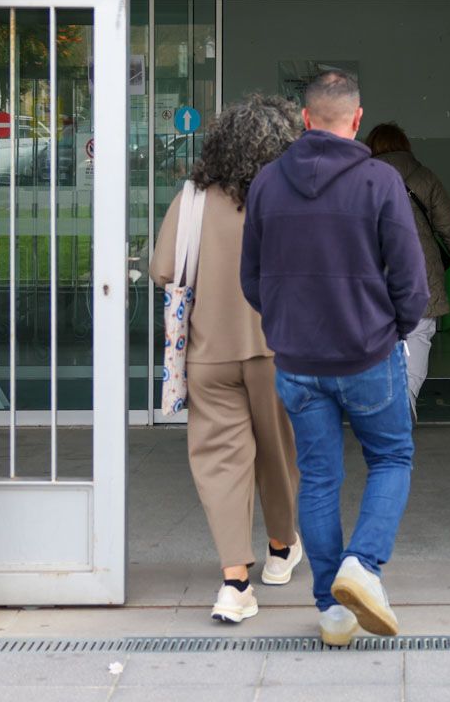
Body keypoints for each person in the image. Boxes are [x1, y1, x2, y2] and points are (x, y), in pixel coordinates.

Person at [240, 69, 428, 645]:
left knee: (318, 478)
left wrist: (284, 325)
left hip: (296, 359)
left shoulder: (268, 183)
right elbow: (412, 279)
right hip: (367, 352)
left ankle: (332, 611)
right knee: (392, 458)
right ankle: (362, 566)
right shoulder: (379, 179)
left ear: (304, 119)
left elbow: (252, 278)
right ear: (356, 119)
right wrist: (393, 327)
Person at [151, 95, 304, 625]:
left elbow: (163, 269)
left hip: (207, 355)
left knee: (220, 463)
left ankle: (235, 582)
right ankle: (282, 548)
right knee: (279, 454)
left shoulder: (190, 200)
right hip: (274, 350)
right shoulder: (289, 198)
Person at [365, 122, 450, 414]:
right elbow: (449, 226)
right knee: (418, 335)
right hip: (419, 272)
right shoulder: (425, 177)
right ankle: (405, 401)